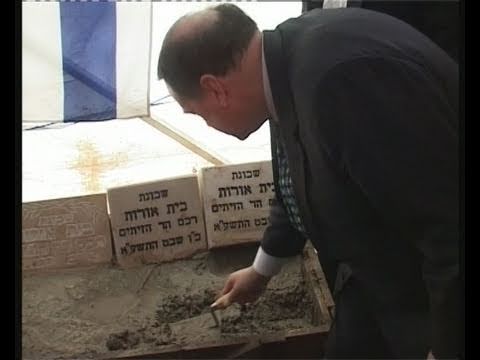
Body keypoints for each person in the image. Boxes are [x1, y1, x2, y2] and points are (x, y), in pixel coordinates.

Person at [158, 4, 459, 359]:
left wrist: (446, 347)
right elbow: (298, 178)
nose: (206, 124)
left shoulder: (342, 83)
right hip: (373, 271)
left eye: (197, 113)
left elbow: (448, 227)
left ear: (216, 89)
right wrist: (260, 271)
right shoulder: (277, 66)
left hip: (428, 291)